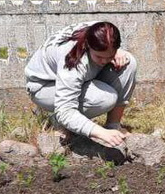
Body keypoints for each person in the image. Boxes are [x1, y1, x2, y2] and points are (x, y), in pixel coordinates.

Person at [25, 21, 137, 149]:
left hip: (76, 78)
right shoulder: (73, 60)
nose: (105, 61)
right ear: (88, 45)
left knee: (128, 62)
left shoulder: (101, 32)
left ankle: (113, 125)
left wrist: (117, 53)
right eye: (99, 56)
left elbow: (108, 48)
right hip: (45, 86)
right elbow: (66, 110)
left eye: (109, 56)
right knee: (105, 99)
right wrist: (100, 132)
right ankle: (57, 119)